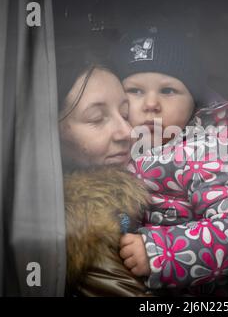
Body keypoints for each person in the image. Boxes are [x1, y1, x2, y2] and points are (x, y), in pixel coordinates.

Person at [115, 26, 228, 296]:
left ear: (194, 101)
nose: (151, 103)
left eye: (169, 90)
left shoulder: (217, 151)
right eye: (135, 90)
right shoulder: (119, 152)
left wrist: (160, 253)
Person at [57, 63, 151, 296]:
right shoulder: (85, 228)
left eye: (126, 114)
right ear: (49, 129)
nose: (128, 132)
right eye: (97, 118)